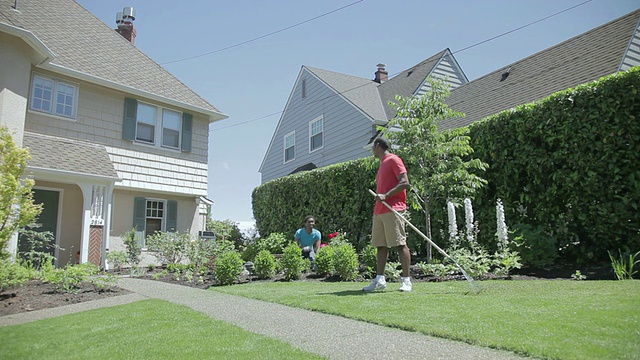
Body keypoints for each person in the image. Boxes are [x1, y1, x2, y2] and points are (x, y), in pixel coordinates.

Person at [363, 137, 412, 292]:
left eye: (373, 147)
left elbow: (405, 182)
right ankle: (380, 280)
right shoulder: (382, 164)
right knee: (380, 246)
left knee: (399, 244)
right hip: (379, 210)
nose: (372, 150)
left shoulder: (393, 160)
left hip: (393, 209)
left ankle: (406, 281)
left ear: (378, 146)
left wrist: (386, 195)